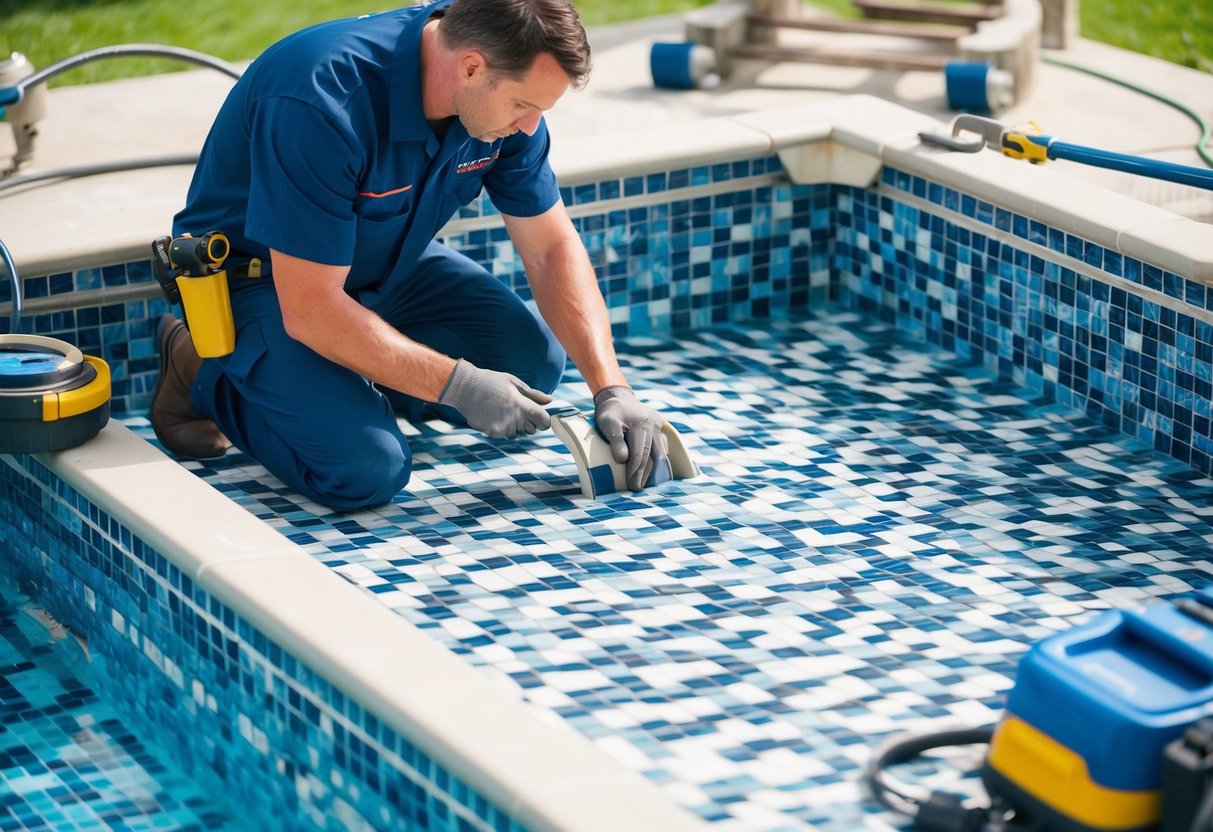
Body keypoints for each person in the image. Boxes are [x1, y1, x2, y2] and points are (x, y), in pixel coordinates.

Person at [151, 0, 671, 511]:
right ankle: (200, 366)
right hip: (265, 284)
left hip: (382, 264)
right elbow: (309, 307)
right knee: (366, 470)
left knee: (531, 367)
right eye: (523, 106)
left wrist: (611, 387)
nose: (532, 128)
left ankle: (347, 381)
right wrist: (458, 384)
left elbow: (552, 247)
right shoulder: (321, 97)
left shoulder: (498, 89)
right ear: (470, 67)